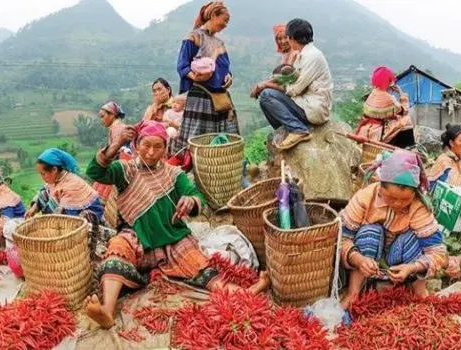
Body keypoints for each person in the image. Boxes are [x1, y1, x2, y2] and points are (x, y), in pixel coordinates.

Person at [84, 120, 270, 328]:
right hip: (138, 240)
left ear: (166, 149)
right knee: (116, 248)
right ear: (136, 145)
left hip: (173, 240)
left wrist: (191, 202)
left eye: (158, 147)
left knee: (202, 269)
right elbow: (95, 172)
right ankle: (107, 312)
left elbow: (195, 195)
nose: (151, 152)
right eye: (146, 145)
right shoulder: (125, 171)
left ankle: (250, 290)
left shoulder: (174, 174)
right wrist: (116, 145)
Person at [339, 150, 448, 308]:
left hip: (400, 263)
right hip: (368, 259)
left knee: (414, 237)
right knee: (370, 231)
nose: (397, 204)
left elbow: (437, 252)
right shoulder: (365, 197)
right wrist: (358, 259)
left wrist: (413, 267)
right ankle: (353, 292)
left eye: (405, 200)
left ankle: (419, 293)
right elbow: (343, 238)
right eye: (391, 198)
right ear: (380, 186)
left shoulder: (419, 207)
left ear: (415, 193)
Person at [252, 18, 333, 150]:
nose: (286, 41)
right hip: (305, 104)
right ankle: (283, 131)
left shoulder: (312, 56)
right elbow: (290, 83)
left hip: (313, 109)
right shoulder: (304, 54)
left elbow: (295, 89)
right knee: (265, 98)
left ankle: (298, 130)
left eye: (287, 38)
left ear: (292, 38)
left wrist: (268, 85)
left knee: (267, 95)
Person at [171, 1, 237, 165]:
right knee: (197, 138)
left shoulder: (219, 43)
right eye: (224, 20)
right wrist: (195, 76)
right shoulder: (194, 37)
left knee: (221, 137)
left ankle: (217, 170)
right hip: (200, 95)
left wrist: (229, 76)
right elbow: (182, 65)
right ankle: (192, 168)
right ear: (213, 16)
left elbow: (226, 67)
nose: (225, 25)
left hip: (220, 96)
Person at [25, 148, 104, 221]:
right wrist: (33, 210)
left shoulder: (71, 185)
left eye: (43, 174)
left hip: (86, 218)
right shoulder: (56, 179)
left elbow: (66, 216)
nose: (42, 177)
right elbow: (44, 193)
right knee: (45, 193)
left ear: (54, 169)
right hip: (69, 212)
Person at [352, 66, 414, 147]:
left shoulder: (372, 94)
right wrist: (401, 93)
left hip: (366, 131)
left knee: (396, 120)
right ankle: (407, 147)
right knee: (406, 120)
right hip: (377, 134)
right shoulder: (388, 98)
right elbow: (404, 111)